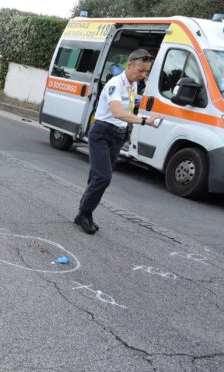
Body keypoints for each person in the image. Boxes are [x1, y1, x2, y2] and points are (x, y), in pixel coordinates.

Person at [75, 49, 162, 234]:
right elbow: (117, 112)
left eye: (147, 72)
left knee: (96, 176)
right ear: (129, 65)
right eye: (141, 70)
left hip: (117, 135)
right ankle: (85, 213)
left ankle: (82, 211)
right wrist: (145, 121)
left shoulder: (133, 85)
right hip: (102, 133)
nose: (143, 75)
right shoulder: (116, 84)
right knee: (103, 177)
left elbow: (127, 109)